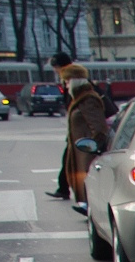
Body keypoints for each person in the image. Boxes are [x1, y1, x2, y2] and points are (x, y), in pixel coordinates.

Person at [63, 78, 110, 215]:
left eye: (67, 83)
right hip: (81, 147)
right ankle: (86, 204)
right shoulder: (80, 99)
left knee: (87, 176)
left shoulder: (88, 100)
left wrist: (94, 145)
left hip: (87, 147)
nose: (66, 86)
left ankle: (89, 205)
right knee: (81, 176)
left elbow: (98, 126)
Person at [46, 53, 88, 199]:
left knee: (74, 163)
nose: (56, 72)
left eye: (56, 68)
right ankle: (64, 188)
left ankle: (76, 194)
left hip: (82, 134)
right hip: (75, 133)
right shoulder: (71, 83)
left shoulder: (79, 86)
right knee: (68, 161)